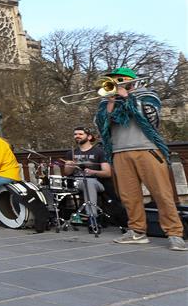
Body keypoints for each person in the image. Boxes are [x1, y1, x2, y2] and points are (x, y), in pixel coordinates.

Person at [95, 68, 185, 251]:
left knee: (162, 193)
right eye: (112, 80)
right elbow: (100, 124)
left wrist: (128, 97)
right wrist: (112, 102)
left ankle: (175, 233)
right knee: (129, 196)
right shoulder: (106, 101)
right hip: (120, 152)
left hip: (147, 150)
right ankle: (137, 231)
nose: (115, 83)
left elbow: (152, 118)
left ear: (131, 81)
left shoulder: (147, 96)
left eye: (119, 80)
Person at [62, 126, 109, 227]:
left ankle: (92, 217)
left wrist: (93, 172)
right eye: (75, 134)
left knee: (89, 182)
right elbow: (67, 173)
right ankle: (60, 216)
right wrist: (70, 165)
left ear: (89, 137)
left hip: (96, 182)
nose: (77, 136)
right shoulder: (72, 153)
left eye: (80, 134)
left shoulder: (99, 152)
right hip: (77, 183)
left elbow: (107, 172)